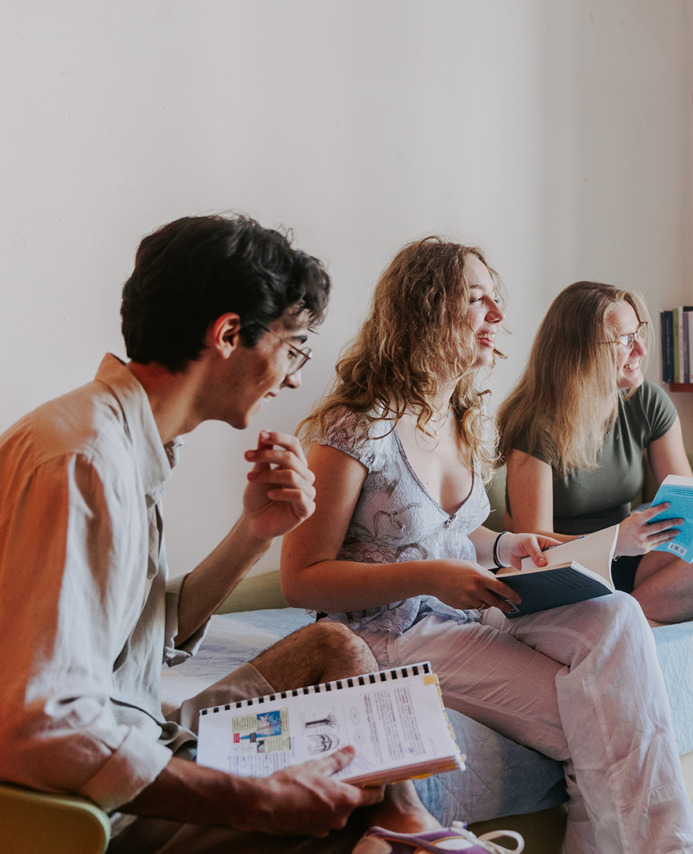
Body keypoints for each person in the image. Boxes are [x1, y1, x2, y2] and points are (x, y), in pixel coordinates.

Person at [0, 214, 519, 854]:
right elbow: (39, 728)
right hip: (91, 804)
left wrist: (254, 533)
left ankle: (411, 827)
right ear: (227, 335)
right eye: (292, 346)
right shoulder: (83, 462)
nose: (295, 376)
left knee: (335, 647)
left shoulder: (126, 442)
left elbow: (146, 635)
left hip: (143, 725)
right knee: (334, 809)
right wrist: (258, 800)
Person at [279, 239, 693, 854]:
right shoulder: (356, 427)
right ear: (427, 311)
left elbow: (453, 532)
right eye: (478, 300)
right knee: (607, 717)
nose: (498, 316)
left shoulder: (459, 417)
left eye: (495, 299)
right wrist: (431, 577)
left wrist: (506, 543)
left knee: (616, 613)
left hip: (468, 608)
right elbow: (301, 577)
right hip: (389, 634)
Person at [498, 282, 693, 625]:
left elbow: (688, 506)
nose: (640, 349)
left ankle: (634, 620)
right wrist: (615, 540)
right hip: (566, 569)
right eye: (624, 340)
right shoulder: (535, 424)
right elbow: (534, 550)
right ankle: (648, 621)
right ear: (581, 352)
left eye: (638, 334)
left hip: (628, 557)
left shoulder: (647, 401)